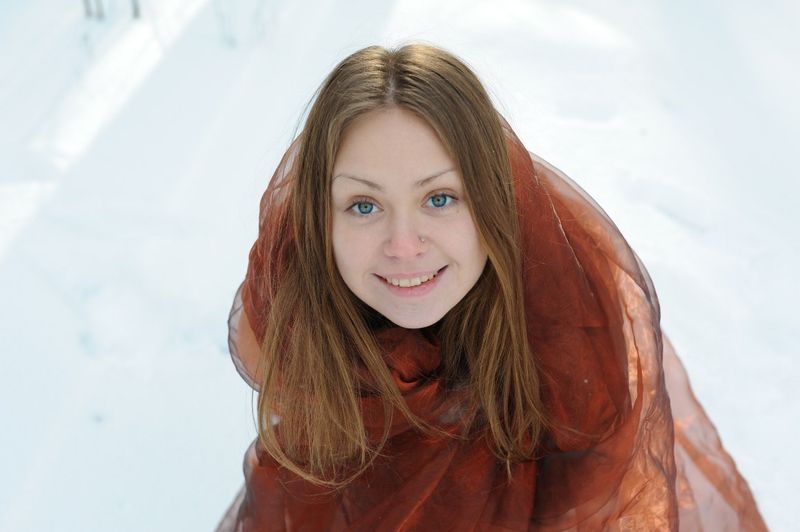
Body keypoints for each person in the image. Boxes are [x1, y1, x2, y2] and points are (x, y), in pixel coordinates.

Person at [216, 43, 766, 531]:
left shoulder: (571, 345)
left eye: (440, 198)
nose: (404, 245)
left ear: (493, 201)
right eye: (364, 205)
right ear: (321, 221)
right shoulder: (298, 319)